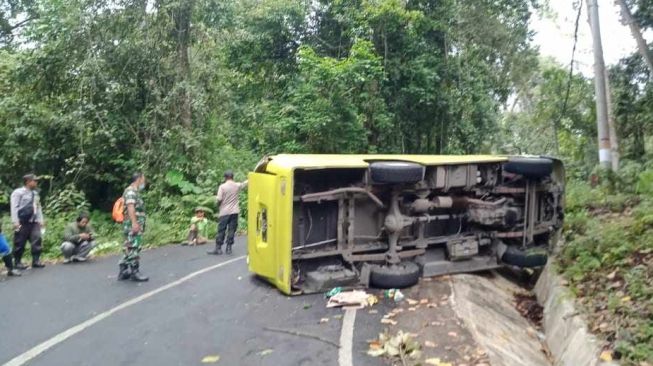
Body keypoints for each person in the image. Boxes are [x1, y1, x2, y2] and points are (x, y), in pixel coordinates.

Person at [10, 173, 45, 269]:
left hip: (33, 221)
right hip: (22, 221)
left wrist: (40, 220)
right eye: (35, 181)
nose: (36, 182)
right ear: (28, 182)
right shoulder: (18, 193)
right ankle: (17, 262)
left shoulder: (35, 194)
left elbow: (38, 207)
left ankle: (36, 261)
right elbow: (14, 207)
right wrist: (15, 221)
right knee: (19, 242)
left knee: (37, 239)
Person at [118, 172, 149, 282]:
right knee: (134, 246)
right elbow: (131, 207)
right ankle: (135, 272)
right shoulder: (131, 191)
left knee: (129, 246)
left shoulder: (133, 191)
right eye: (143, 179)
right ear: (139, 179)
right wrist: (134, 223)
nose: (144, 182)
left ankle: (123, 270)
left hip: (131, 223)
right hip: (132, 223)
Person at [208, 170, 247, 255]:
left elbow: (219, 199)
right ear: (233, 177)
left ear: (225, 177)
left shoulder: (222, 187)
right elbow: (245, 183)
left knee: (221, 229)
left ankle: (218, 248)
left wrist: (218, 206)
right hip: (235, 211)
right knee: (231, 229)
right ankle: (229, 248)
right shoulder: (236, 185)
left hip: (224, 212)